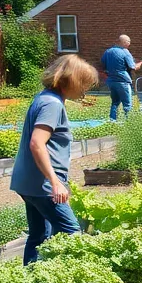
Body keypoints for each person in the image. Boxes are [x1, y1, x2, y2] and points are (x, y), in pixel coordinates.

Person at [10, 54, 99, 263]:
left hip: (28, 182)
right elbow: (37, 143)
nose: (85, 90)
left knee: (39, 236)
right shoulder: (52, 104)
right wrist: (55, 182)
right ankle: (74, 281)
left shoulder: (43, 97)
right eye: (84, 84)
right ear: (72, 80)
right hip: (44, 185)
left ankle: (31, 282)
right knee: (71, 231)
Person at [99, 34, 142, 121]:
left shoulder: (108, 51)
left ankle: (112, 122)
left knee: (114, 103)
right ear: (124, 42)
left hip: (111, 81)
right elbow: (133, 67)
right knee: (127, 104)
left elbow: (103, 65)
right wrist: (140, 63)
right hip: (123, 81)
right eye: (129, 42)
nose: (129, 44)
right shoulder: (125, 51)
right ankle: (130, 124)